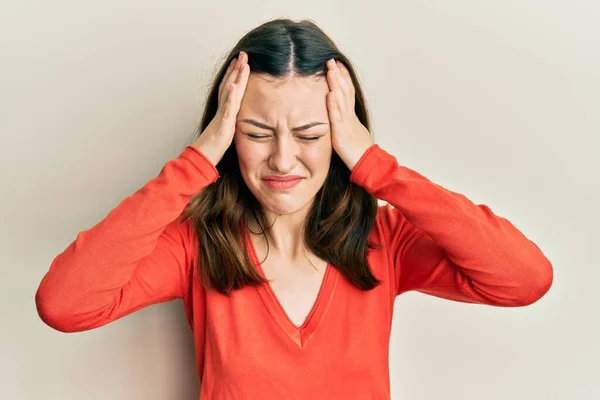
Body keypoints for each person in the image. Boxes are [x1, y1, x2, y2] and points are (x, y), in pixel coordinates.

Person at [35, 18, 553, 399]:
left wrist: (378, 166)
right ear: (227, 135)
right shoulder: (197, 244)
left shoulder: (385, 241)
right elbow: (65, 303)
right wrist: (196, 161)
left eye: (310, 134)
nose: (283, 159)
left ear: (342, 136)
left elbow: (523, 279)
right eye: (256, 133)